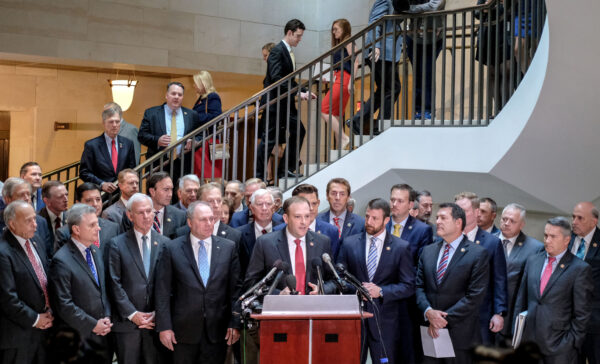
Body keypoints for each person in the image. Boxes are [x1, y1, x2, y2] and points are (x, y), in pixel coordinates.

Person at [155, 201, 241, 364]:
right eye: (203, 220)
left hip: (217, 331)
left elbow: (235, 290)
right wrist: (164, 327)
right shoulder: (172, 248)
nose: (209, 224)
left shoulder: (228, 247)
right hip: (182, 332)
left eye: (211, 219)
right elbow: (162, 291)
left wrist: (234, 323)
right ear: (189, 222)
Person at [338, 198, 415, 364]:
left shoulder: (401, 247)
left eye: (375, 218)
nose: (369, 222)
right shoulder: (349, 243)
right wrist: (357, 290)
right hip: (354, 319)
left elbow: (408, 286)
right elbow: (340, 278)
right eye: (367, 217)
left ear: (386, 220)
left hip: (385, 322)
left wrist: (381, 291)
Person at [416, 202, 489, 364]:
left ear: (458, 223)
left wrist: (442, 320)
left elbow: (475, 296)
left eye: (443, 218)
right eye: (437, 218)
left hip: (460, 336)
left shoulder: (477, 254)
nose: (438, 222)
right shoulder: (428, 251)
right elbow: (419, 287)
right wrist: (428, 312)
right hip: (430, 332)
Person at [514, 217, 593, 364]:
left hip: (560, 349)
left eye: (553, 236)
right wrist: (517, 333)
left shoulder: (580, 269)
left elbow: (582, 315)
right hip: (529, 344)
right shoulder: (533, 261)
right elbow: (521, 300)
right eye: (545, 235)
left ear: (566, 240)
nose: (547, 240)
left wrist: (569, 344)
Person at [107, 193, 171, 364]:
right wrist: (132, 314)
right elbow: (114, 283)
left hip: (155, 324)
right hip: (127, 325)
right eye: (141, 212)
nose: (146, 216)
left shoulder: (165, 243)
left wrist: (158, 313)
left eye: (149, 211)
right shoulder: (116, 244)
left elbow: (169, 284)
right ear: (130, 215)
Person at [49, 204, 113, 364]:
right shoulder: (61, 260)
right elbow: (64, 304)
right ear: (76, 230)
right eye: (92, 225)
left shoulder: (95, 251)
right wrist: (93, 325)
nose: (98, 228)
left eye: (97, 223)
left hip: (102, 334)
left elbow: (102, 289)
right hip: (77, 339)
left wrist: (106, 317)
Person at [256, 19, 315, 180]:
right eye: (298, 36)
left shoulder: (288, 51)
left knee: (298, 130)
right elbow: (276, 78)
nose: (299, 39)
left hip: (286, 103)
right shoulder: (277, 51)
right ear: (289, 33)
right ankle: (259, 176)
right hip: (275, 103)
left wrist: (304, 90)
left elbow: (289, 79)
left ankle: (285, 168)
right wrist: (297, 93)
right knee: (269, 140)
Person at [244, 196, 337, 296]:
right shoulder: (265, 243)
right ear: (286, 218)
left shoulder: (322, 242)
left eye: (307, 216)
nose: (304, 222)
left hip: (313, 307)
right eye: (297, 217)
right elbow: (251, 284)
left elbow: (334, 281)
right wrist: (278, 294)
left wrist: (322, 289)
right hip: (280, 309)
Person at [0, 201, 53, 364]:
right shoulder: (3, 252)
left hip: (45, 328)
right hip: (18, 335)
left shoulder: (36, 240)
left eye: (35, 219)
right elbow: (7, 299)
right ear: (12, 224)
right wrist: (36, 319)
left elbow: (45, 277)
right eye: (28, 221)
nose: (35, 225)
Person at [455, 192, 507, 345]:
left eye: (464, 211)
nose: (459, 216)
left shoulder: (492, 243)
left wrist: (499, 313)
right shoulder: (445, 240)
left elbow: (499, 280)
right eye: (456, 211)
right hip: (450, 314)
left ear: (476, 212)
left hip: (480, 316)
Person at [348, 0, 402, 135]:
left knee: (384, 90)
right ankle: (381, 124)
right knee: (393, 88)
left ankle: (358, 120)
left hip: (387, 53)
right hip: (380, 52)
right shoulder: (385, 0)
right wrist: (375, 45)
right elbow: (374, 21)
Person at [496, 203, 543, 343]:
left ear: (522, 224)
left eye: (512, 221)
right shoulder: (487, 240)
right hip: (482, 315)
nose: (507, 223)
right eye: (504, 219)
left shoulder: (535, 248)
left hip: (510, 316)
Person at [138, 82, 201, 179]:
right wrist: (157, 140)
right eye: (173, 93)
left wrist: (194, 141)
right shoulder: (152, 113)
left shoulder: (192, 115)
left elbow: (200, 135)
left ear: (183, 97)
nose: (176, 97)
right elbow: (142, 135)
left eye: (180, 95)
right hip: (158, 166)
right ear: (166, 95)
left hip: (183, 166)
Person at [80, 103, 136, 194]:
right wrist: (102, 184)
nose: (114, 125)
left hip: (122, 194)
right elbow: (84, 172)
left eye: (117, 122)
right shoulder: (92, 145)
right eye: (111, 121)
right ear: (104, 123)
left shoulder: (128, 144)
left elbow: (132, 169)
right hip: (102, 195)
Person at [569, 202, 600, 364]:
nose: (574, 221)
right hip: (567, 322)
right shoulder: (566, 239)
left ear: (594, 221)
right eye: (573, 217)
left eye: (580, 218)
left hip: (594, 323)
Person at [406, 0, 446, 120]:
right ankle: (418, 110)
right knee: (418, 75)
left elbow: (435, 6)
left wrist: (415, 8)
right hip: (414, 37)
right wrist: (420, 8)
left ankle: (428, 110)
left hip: (433, 38)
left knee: (427, 73)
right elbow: (405, 7)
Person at [54, 183, 120, 255]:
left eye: (98, 199)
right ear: (78, 203)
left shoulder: (113, 227)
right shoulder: (64, 232)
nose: (95, 204)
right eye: (89, 200)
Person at [275, 184, 339, 255]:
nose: (311, 208)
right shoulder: (278, 231)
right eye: (306, 204)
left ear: (318, 203)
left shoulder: (331, 231)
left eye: (314, 203)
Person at [175, 183, 242, 249]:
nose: (216, 205)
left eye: (219, 201)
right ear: (199, 202)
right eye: (211, 201)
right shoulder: (181, 233)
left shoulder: (235, 236)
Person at [321, 19, 354, 149]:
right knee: (336, 114)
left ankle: (344, 137)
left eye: (336, 29)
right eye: (333, 29)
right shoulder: (340, 45)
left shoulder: (349, 42)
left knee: (324, 109)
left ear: (344, 29)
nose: (334, 32)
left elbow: (355, 62)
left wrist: (351, 82)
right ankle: (340, 145)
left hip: (344, 79)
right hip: (339, 78)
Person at [121, 172, 186, 238]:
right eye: (166, 190)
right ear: (152, 191)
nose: (170, 194)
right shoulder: (132, 214)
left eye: (171, 189)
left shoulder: (180, 216)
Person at [0, 178, 53, 257]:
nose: (27, 198)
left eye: (28, 194)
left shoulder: (41, 222)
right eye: (21, 195)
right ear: (7, 199)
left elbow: (48, 256)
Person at [237, 189, 283, 276]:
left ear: (273, 208)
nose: (264, 208)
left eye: (268, 204)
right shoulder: (239, 234)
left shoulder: (284, 231)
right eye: (260, 204)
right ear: (252, 208)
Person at [316, 178, 365, 258]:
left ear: (348, 197)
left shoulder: (360, 223)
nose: (337, 198)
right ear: (327, 196)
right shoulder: (317, 220)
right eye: (333, 193)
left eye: (342, 194)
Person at [386, 184, 433, 266]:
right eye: (392, 200)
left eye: (400, 201)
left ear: (410, 205)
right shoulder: (381, 225)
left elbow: (422, 266)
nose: (394, 204)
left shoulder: (422, 230)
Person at [192, 70, 224, 180]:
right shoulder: (201, 98)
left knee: (210, 172)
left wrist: (195, 118)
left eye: (196, 83)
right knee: (205, 172)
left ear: (203, 83)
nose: (194, 85)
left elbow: (216, 116)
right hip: (206, 140)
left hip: (209, 140)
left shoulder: (213, 96)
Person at [259, 42, 283, 184]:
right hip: (268, 110)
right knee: (263, 145)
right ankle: (268, 176)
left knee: (273, 147)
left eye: (265, 55)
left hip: (274, 111)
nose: (264, 59)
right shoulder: (270, 70)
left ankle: (289, 162)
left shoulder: (276, 69)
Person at [39, 180, 69, 244]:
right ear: (47, 201)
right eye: (60, 197)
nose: (66, 199)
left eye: (66, 195)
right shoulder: (38, 220)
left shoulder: (72, 217)